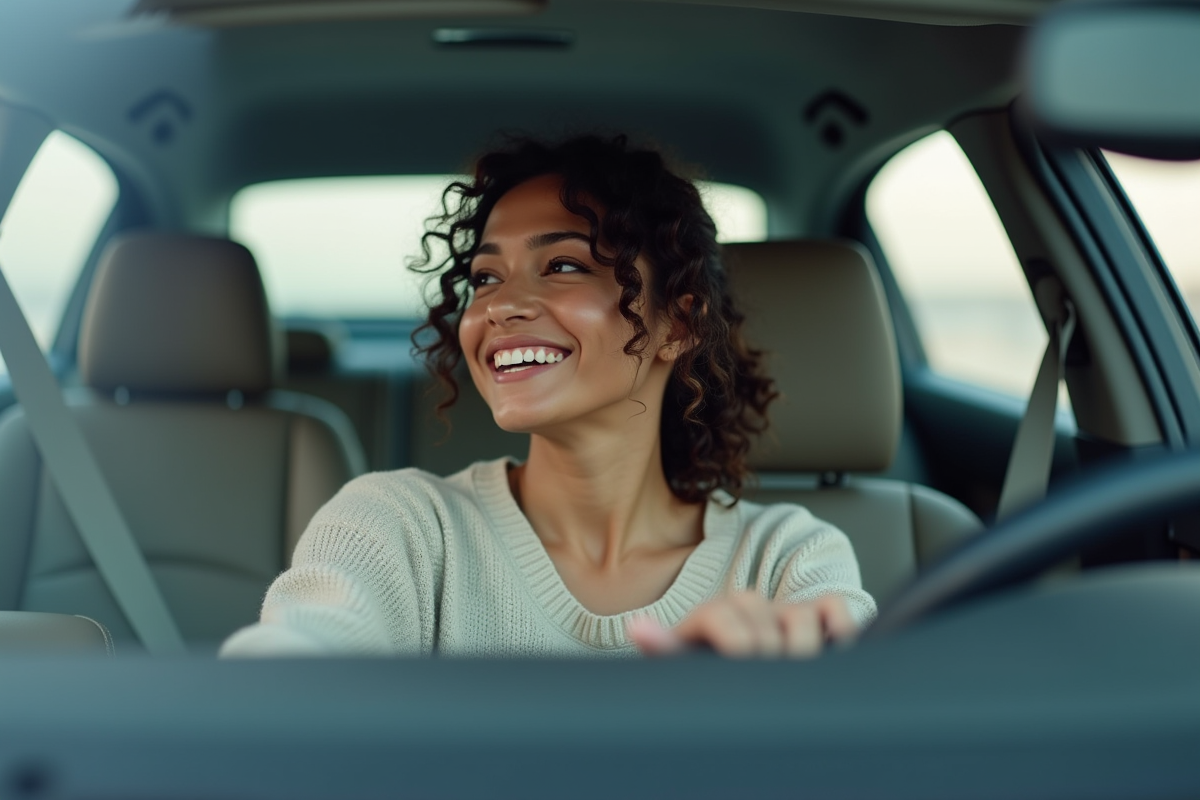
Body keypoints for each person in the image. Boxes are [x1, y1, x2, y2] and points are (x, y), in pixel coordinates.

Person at [221, 135, 875, 659]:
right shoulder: (400, 526)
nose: (501, 306)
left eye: (564, 265)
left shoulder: (788, 558)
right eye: (485, 276)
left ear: (677, 324)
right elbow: (295, 659)